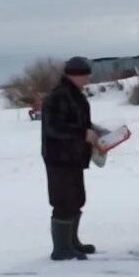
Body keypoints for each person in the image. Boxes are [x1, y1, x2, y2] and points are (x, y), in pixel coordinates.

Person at [41, 56, 99, 260]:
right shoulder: (57, 97)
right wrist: (82, 133)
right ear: (73, 75)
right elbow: (54, 128)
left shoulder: (77, 96)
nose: (88, 79)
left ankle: (72, 241)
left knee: (76, 199)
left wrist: (95, 133)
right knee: (63, 201)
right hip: (59, 158)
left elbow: (83, 124)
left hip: (74, 157)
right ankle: (61, 248)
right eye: (85, 75)